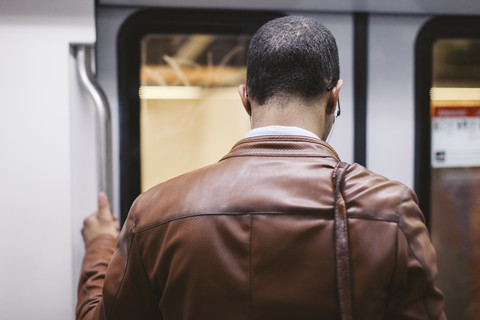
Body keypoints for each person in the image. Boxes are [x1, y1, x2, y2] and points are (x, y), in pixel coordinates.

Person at [77, 16, 446, 320]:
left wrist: (100, 244)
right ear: (335, 96)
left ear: (245, 98)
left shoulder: (156, 211)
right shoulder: (389, 208)